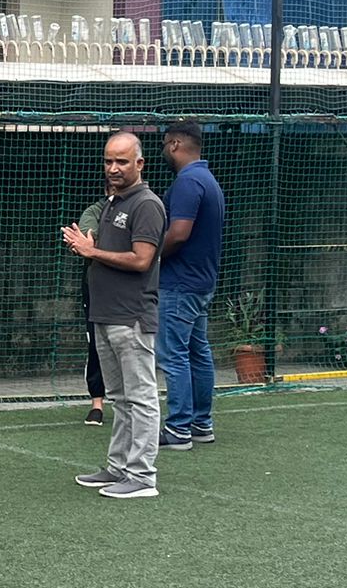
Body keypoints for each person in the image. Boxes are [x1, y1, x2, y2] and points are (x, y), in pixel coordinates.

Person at [63, 132, 165, 500]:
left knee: (141, 397)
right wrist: (87, 247)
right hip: (105, 315)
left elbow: (141, 260)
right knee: (120, 397)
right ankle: (119, 467)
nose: (113, 168)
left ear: (140, 163)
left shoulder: (147, 205)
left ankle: (142, 476)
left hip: (131, 316)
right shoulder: (112, 203)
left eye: (122, 161)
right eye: (108, 161)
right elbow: (106, 252)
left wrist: (92, 252)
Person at [156, 120, 226, 451]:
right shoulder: (208, 180)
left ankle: (179, 428)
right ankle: (201, 424)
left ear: (174, 144)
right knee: (198, 352)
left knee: (174, 355)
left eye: (165, 144)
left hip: (180, 284)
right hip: (201, 282)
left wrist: (150, 256)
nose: (163, 151)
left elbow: (179, 233)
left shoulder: (187, 182)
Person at [78, 196, 108, 426]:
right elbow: (88, 243)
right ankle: (97, 403)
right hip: (97, 288)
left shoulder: (142, 206)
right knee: (96, 344)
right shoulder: (93, 212)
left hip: (131, 291)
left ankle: (132, 404)